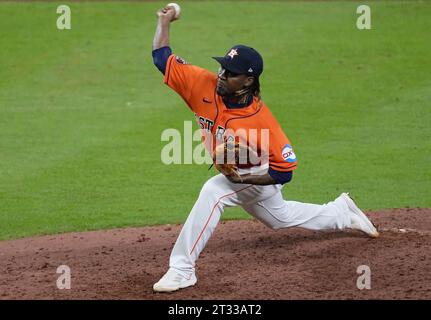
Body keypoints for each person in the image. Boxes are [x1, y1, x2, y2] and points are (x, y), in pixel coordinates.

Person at [151, 6, 379, 293]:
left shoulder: (261, 122)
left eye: (230, 73)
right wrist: (163, 21)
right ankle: (341, 212)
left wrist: (242, 180)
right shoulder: (202, 83)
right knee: (278, 217)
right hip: (244, 176)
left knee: (214, 191)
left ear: (247, 81)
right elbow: (162, 58)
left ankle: (182, 269)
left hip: (258, 172)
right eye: (222, 67)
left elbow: (284, 173)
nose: (221, 75)